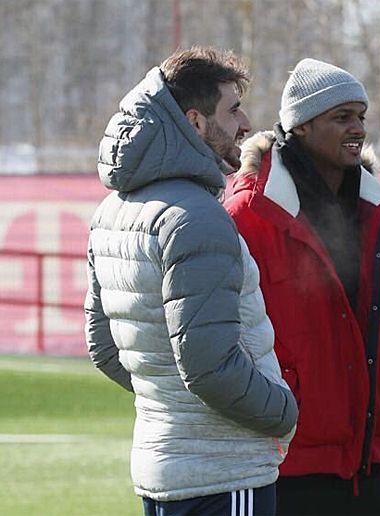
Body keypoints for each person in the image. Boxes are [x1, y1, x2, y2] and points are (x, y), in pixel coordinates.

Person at [85, 46, 298, 515]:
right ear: (196, 122)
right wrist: (284, 413)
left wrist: (170, 405)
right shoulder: (196, 218)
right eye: (234, 108)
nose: (245, 124)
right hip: (223, 473)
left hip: (161, 470)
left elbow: (105, 349)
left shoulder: (110, 213)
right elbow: (209, 366)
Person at [225, 58, 380, 516]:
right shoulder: (247, 216)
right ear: (301, 126)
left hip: (378, 468)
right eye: (342, 117)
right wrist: (284, 400)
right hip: (286, 474)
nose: (357, 128)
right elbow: (224, 334)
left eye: (361, 116)